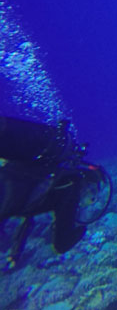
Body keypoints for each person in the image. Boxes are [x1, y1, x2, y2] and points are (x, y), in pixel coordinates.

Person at [0, 116, 111, 270]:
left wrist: (15, 255)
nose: (87, 200)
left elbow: (27, 217)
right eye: (92, 194)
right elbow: (61, 244)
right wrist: (81, 230)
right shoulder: (70, 184)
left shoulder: (42, 175)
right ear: (87, 182)